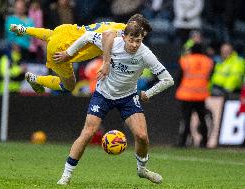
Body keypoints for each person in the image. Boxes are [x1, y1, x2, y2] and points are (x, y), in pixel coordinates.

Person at [55, 21, 174, 185]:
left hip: (128, 97)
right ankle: (66, 175)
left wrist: (149, 93)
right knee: (88, 132)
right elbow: (87, 36)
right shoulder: (113, 42)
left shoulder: (145, 54)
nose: (134, 44)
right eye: (131, 40)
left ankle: (142, 169)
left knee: (142, 136)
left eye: (138, 41)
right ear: (124, 37)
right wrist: (69, 54)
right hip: (102, 95)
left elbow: (168, 79)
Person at [9, 14, 150, 94]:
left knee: (51, 35)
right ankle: (35, 79)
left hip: (66, 30)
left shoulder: (118, 25)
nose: (140, 37)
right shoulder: (120, 34)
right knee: (68, 86)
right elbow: (92, 37)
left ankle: (23, 29)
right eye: (141, 32)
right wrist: (67, 53)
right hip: (62, 49)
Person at [175, 43, 213, 147]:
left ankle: (182, 142)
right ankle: (204, 142)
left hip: (186, 95)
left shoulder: (185, 60)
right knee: (202, 118)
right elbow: (210, 76)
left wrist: (178, 89)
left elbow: (179, 77)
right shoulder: (208, 61)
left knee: (186, 119)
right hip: (201, 95)